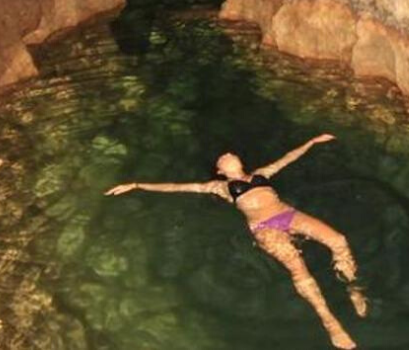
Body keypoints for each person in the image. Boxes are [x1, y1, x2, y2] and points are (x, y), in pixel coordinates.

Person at [105, 134, 366, 349]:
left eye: (230, 153)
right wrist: (138, 184)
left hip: (289, 215)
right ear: (220, 170)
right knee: (299, 270)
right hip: (265, 228)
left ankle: (353, 289)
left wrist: (312, 142)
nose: (227, 153)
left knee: (339, 240)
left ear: (240, 161)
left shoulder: (262, 173)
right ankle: (331, 323)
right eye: (222, 158)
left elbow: (288, 158)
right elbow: (176, 186)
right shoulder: (219, 187)